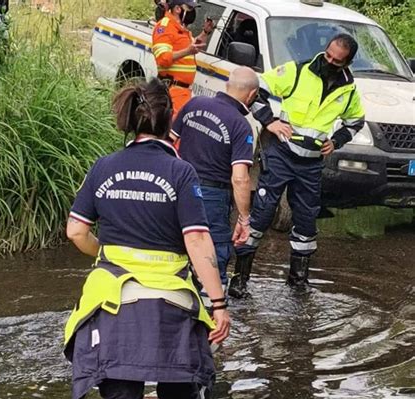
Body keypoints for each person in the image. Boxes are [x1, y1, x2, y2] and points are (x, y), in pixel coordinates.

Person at [64, 78, 230, 399]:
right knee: (179, 392)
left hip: (113, 305)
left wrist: (104, 252)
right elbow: (197, 243)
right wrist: (218, 303)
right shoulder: (181, 172)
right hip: (171, 309)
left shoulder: (104, 167)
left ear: (128, 120)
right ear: (168, 119)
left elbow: (76, 231)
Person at [229, 33, 365, 295]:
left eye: (336, 61)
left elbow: (355, 122)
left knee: (306, 221)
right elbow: (257, 90)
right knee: (262, 214)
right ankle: (239, 279)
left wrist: (336, 141)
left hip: (311, 165)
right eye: (327, 55)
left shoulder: (348, 91)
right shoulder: (297, 71)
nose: (329, 61)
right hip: (281, 155)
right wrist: (269, 121)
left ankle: (298, 282)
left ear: (346, 64)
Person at [171, 66, 258, 301]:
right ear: (251, 96)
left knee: (175, 250)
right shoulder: (240, 125)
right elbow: (240, 178)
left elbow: (168, 142)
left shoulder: (194, 104)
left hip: (177, 186)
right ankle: (212, 321)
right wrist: (244, 218)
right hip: (210, 196)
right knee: (213, 257)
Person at [152, 0, 215, 117]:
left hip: (183, 92)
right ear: (177, 9)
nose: (192, 13)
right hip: (172, 92)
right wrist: (187, 51)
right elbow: (162, 58)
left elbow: (193, 47)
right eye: (189, 8)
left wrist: (205, 32)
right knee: (171, 131)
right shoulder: (164, 27)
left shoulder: (181, 28)